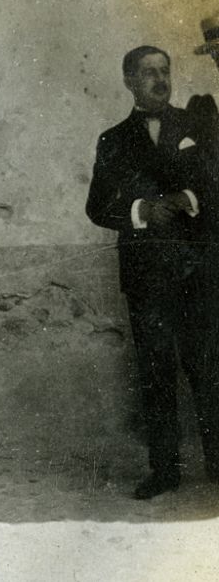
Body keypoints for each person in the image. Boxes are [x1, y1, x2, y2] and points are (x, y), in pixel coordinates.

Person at [86, 44, 219, 499]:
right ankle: (164, 472)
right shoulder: (113, 139)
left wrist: (191, 200)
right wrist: (143, 209)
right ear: (128, 80)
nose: (160, 80)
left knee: (209, 370)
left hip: (199, 271)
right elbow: (98, 207)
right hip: (147, 279)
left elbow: (215, 183)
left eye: (165, 70)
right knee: (157, 373)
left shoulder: (198, 126)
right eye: (148, 73)